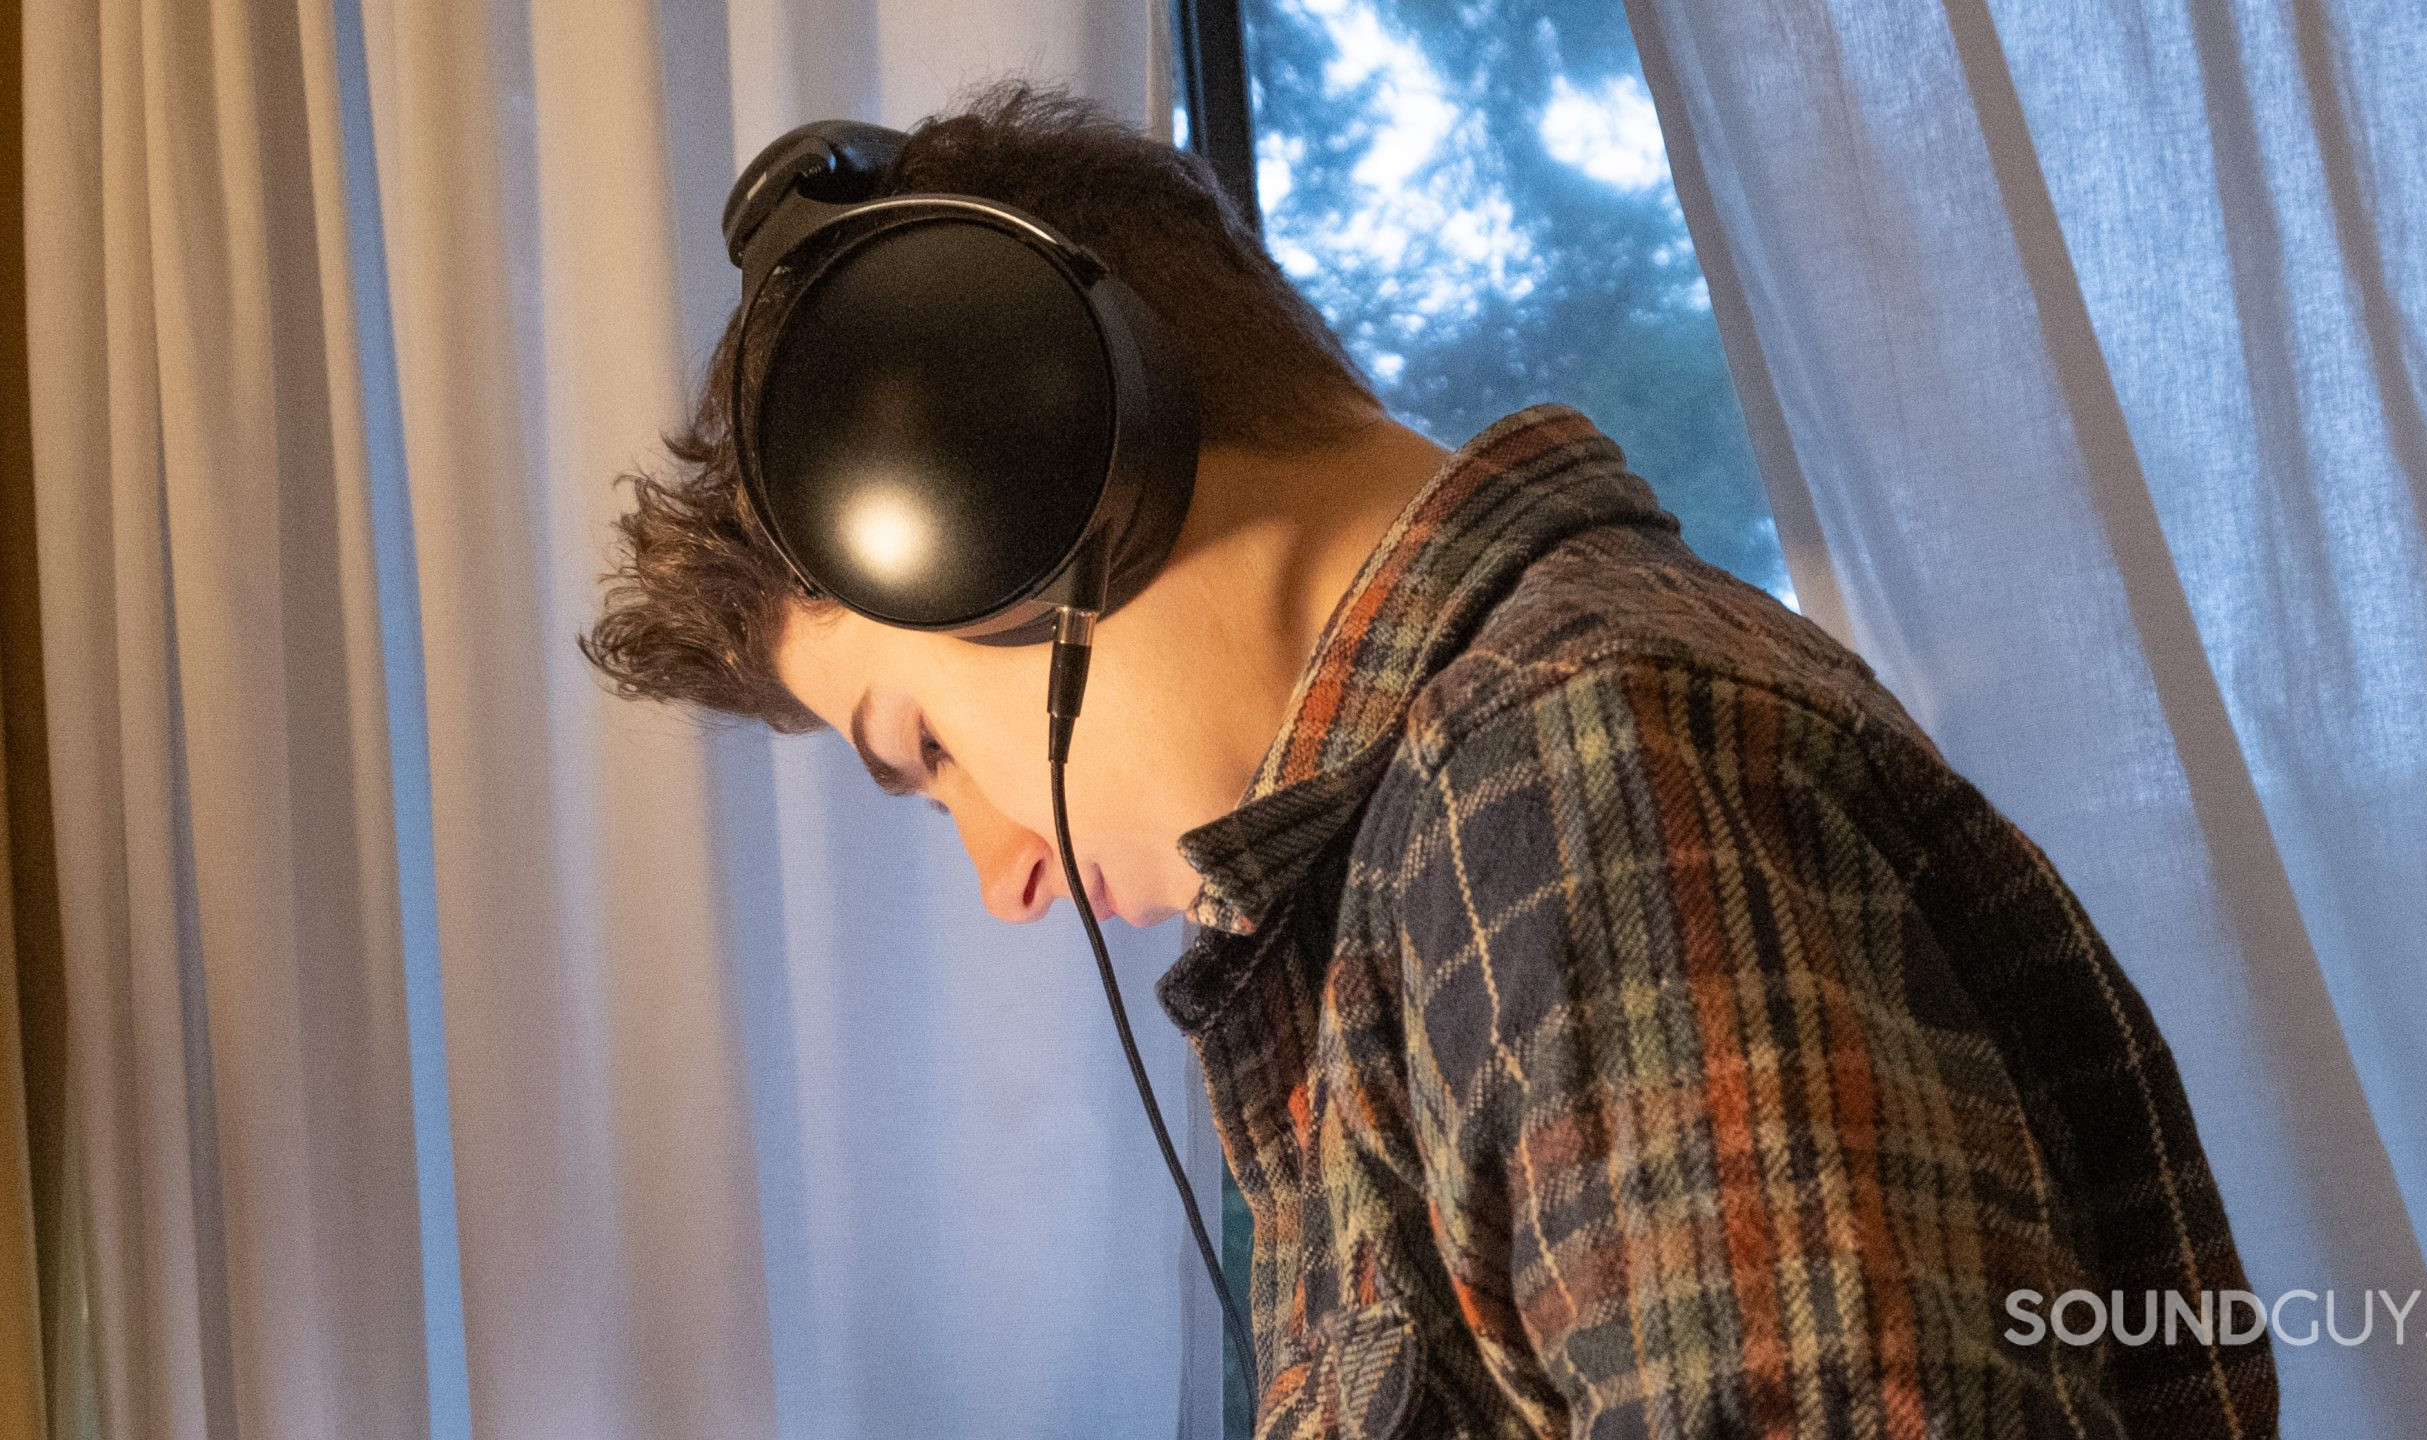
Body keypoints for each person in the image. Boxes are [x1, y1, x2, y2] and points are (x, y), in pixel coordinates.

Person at [582, 81, 2276, 1440]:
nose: (1005, 875)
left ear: (1018, 496)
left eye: (928, 750)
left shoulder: (1569, 773)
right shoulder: (1463, 840)